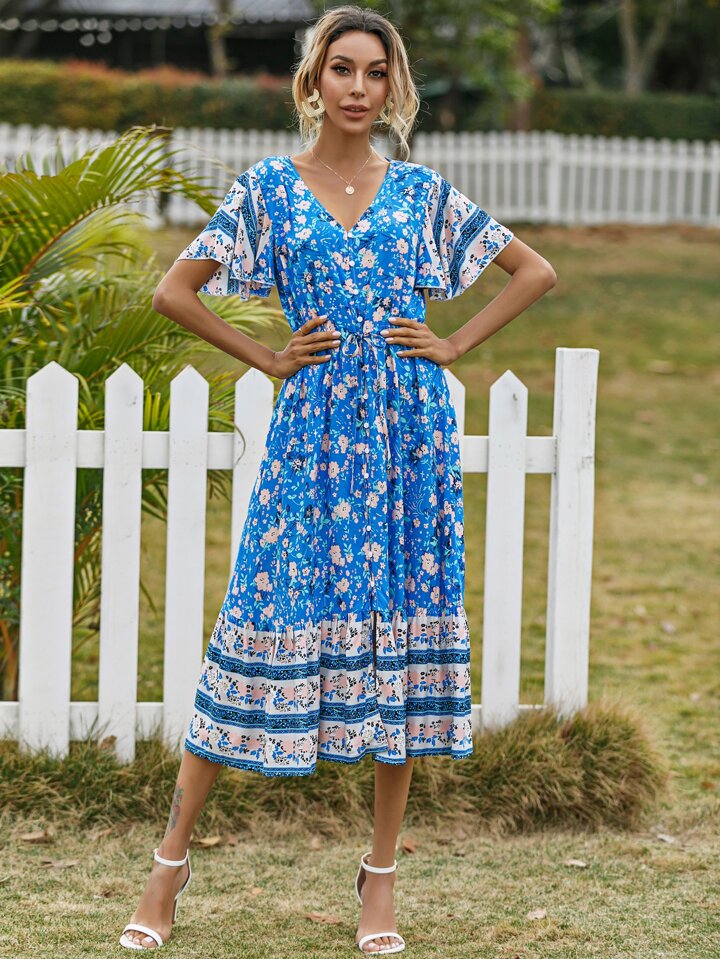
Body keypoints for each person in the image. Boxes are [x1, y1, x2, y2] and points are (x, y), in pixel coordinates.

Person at [119, 4, 556, 954]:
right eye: (342, 68)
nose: (359, 88)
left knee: (399, 639)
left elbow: (535, 272)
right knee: (258, 618)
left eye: (376, 71)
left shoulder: (422, 193)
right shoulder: (268, 192)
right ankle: (168, 865)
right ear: (313, 79)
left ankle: (380, 878)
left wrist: (453, 344)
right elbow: (173, 290)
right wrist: (269, 359)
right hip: (313, 439)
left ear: (394, 87)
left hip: (408, 442)